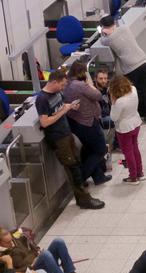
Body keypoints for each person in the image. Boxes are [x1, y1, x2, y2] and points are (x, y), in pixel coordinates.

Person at [35, 69, 105, 210]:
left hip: (67, 133)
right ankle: (84, 199)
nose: (63, 88)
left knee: (77, 164)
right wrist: (63, 111)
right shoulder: (42, 99)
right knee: (73, 170)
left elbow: (60, 108)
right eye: (62, 85)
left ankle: (84, 196)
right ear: (54, 82)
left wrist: (69, 107)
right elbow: (45, 122)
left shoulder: (56, 93)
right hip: (58, 138)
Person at [0, 223, 83, 273]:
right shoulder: (4, 256)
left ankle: (69, 271)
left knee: (58, 242)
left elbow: (27, 252)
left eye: (10, 239)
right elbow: (16, 272)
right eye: (7, 242)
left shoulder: (14, 241)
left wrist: (36, 253)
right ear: (0, 243)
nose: (11, 242)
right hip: (33, 270)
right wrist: (33, 263)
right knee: (46, 255)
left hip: (38, 260)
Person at [97, 15, 146, 123]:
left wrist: (103, 33)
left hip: (130, 68)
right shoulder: (125, 29)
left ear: (103, 27)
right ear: (114, 23)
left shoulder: (109, 39)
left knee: (131, 93)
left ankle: (137, 115)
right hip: (143, 62)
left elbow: (102, 41)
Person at [62, 61, 111, 186]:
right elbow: (98, 95)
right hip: (87, 122)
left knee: (89, 149)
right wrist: (89, 83)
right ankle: (81, 178)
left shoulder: (67, 83)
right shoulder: (81, 85)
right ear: (81, 72)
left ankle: (98, 177)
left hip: (75, 122)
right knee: (100, 150)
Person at [109, 74, 143, 184]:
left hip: (124, 129)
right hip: (135, 123)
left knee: (128, 152)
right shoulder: (134, 90)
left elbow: (114, 117)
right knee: (135, 149)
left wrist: (113, 103)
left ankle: (133, 177)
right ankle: (140, 173)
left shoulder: (119, 102)